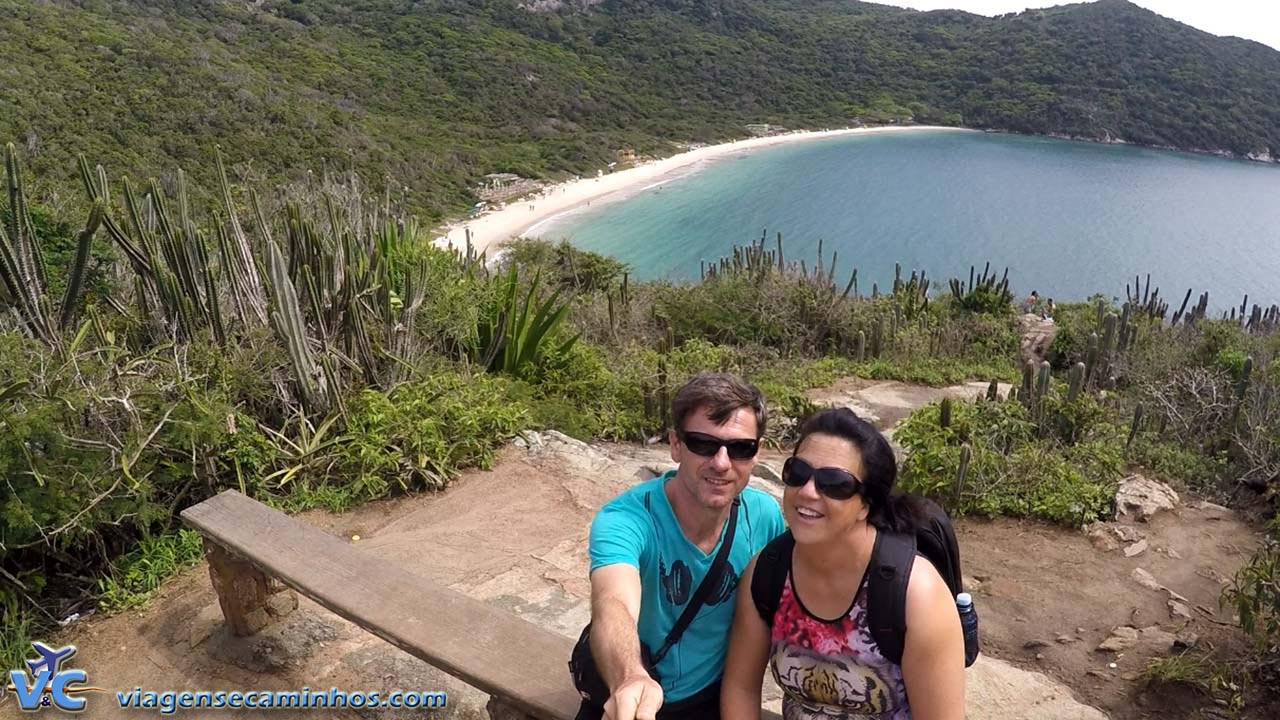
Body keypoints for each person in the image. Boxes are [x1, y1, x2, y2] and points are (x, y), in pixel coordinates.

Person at [721, 408, 965, 720]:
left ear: (866, 504)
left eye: (834, 483)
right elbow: (741, 687)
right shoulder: (768, 571)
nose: (808, 492)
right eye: (798, 473)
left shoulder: (916, 594)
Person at [581, 372, 786, 720]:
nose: (721, 462)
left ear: (756, 454)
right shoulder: (627, 519)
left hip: (713, 698)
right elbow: (613, 602)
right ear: (676, 445)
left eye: (739, 448)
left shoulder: (764, 517)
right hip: (636, 694)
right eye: (703, 444)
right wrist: (630, 676)